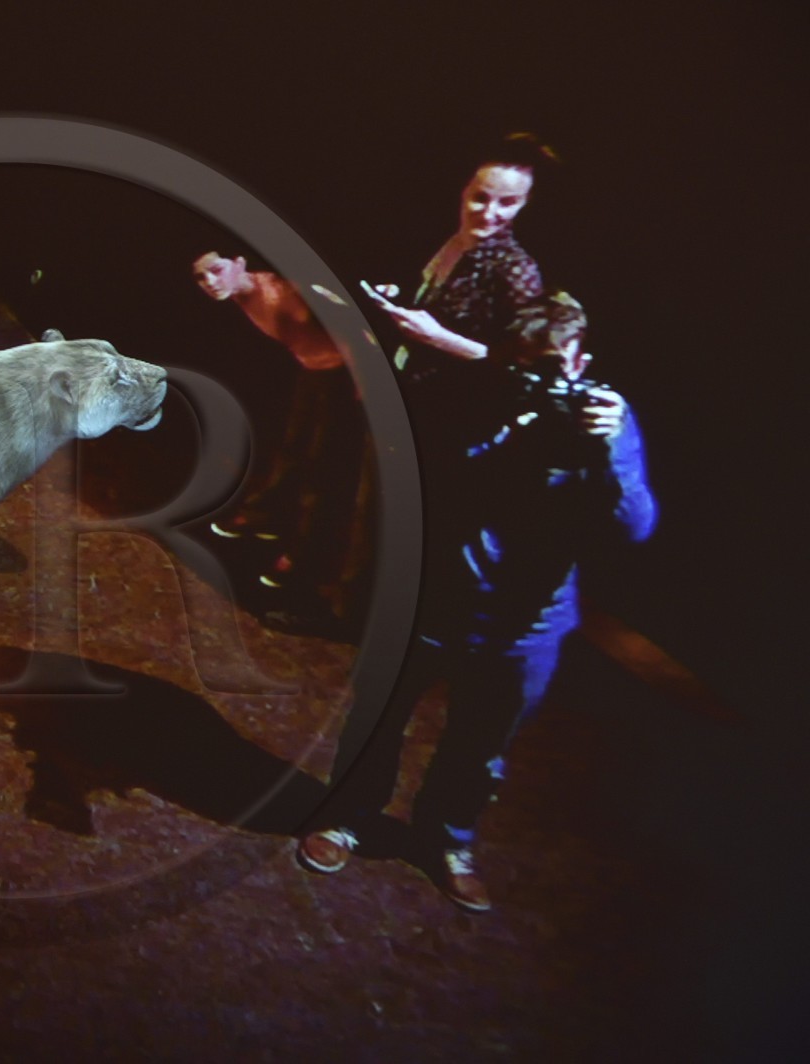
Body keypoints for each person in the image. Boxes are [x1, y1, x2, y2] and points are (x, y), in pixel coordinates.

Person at [296, 293, 657, 912]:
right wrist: (509, 416)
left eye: (550, 367)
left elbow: (634, 526)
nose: (536, 379)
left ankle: (448, 843)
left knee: (481, 748)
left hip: (526, 626)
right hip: (430, 603)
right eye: (522, 364)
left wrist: (606, 450)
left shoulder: (603, 423)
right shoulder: (472, 397)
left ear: (580, 362)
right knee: (377, 719)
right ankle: (347, 817)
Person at [192, 251, 367, 625]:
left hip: (342, 379)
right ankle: (264, 517)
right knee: (293, 451)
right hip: (314, 373)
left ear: (239, 263)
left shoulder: (284, 289)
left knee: (322, 471)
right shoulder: (240, 296)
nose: (210, 283)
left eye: (217, 270)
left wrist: (362, 381)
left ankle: (300, 560)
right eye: (202, 278)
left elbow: (354, 325)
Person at [367, 133, 557, 386]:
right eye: (480, 198)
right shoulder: (434, 235)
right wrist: (392, 294)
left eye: (508, 203)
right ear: (463, 189)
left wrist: (440, 338)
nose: (490, 214)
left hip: (457, 403)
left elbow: (520, 368)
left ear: (524, 203)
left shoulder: (516, 269)